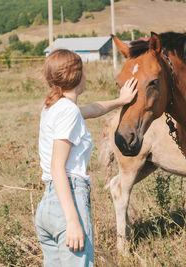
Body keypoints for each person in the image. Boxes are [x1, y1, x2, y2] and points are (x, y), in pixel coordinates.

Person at [35, 49, 137, 266]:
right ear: (78, 76)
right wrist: (72, 220)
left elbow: (91, 109)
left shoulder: (53, 107)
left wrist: (121, 101)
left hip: (48, 207)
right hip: (68, 199)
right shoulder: (68, 112)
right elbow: (57, 167)